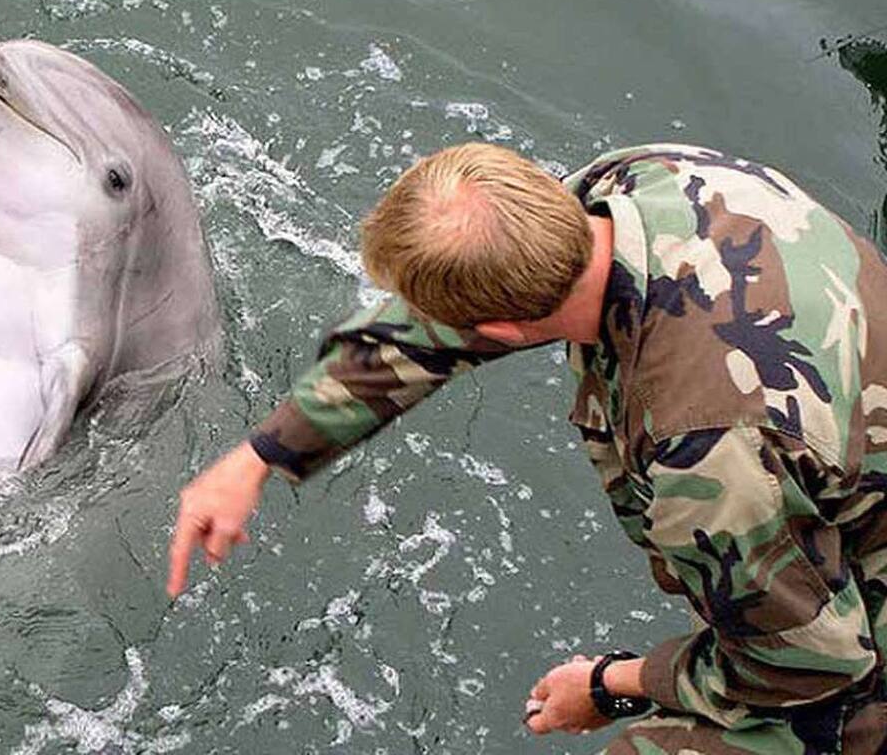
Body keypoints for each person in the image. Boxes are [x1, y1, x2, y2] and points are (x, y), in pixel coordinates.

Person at [165, 142, 887, 754]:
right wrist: (261, 454)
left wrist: (609, 685)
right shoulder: (639, 182)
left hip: (842, 637)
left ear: (502, 333)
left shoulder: (701, 447)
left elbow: (807, 669)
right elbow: (440, 321)